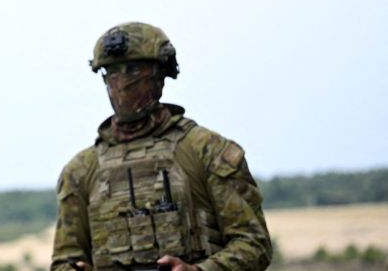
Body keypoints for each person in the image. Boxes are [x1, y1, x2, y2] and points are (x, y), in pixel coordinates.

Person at [51, 22, 272, 271]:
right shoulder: (80, 171)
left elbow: (254, 244)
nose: (122, 83)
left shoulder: (206, 151)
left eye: (133, 70)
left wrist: (199, 270)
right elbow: (64, 261)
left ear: (159, 76)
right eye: (112, 72)